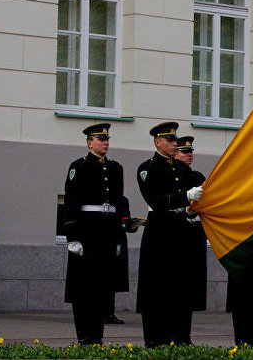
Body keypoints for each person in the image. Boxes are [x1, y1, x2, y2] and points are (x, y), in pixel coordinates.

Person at [136, 122, 206, 347]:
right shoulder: (148, 168)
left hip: (181, 228)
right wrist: (186, 197)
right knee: (157, 286)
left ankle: (180, 337)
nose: (175, 143)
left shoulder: (182, 169)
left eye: (175, 140)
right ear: (157, 142)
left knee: (181, 286)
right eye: (170, 140)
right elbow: (156, 201)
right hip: (160, 230)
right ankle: (156, 339)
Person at [62, 122, 125, 344]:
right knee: (83, 289)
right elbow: (71, 201)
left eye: (107, 139)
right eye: (100, 139)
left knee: (101, 288)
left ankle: (97, 338)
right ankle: (84, 337)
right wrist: (73, 237)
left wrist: (118, 238)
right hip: (86, 232)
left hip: (107, 232)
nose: (105, 142)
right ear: (89, 142)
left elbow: (118, 203)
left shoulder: (116, 168)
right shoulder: (79, 166)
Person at [172, 135, 208, 344]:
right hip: (177, 232)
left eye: (191, 151)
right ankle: (173, 335)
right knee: (176, 288)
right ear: (175, 153)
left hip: (194, 233)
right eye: (185, 152)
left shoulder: (197, 176)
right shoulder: (171, 175)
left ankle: (185, 336)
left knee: (190, 289)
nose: (189, 155)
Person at [105, 195, 131, 326]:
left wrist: (132, 225)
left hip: (119, 242)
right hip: (107, 242)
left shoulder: (122, 200)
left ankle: (109, 312)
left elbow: (125, 223)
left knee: (112, 281)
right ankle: (102, 313)